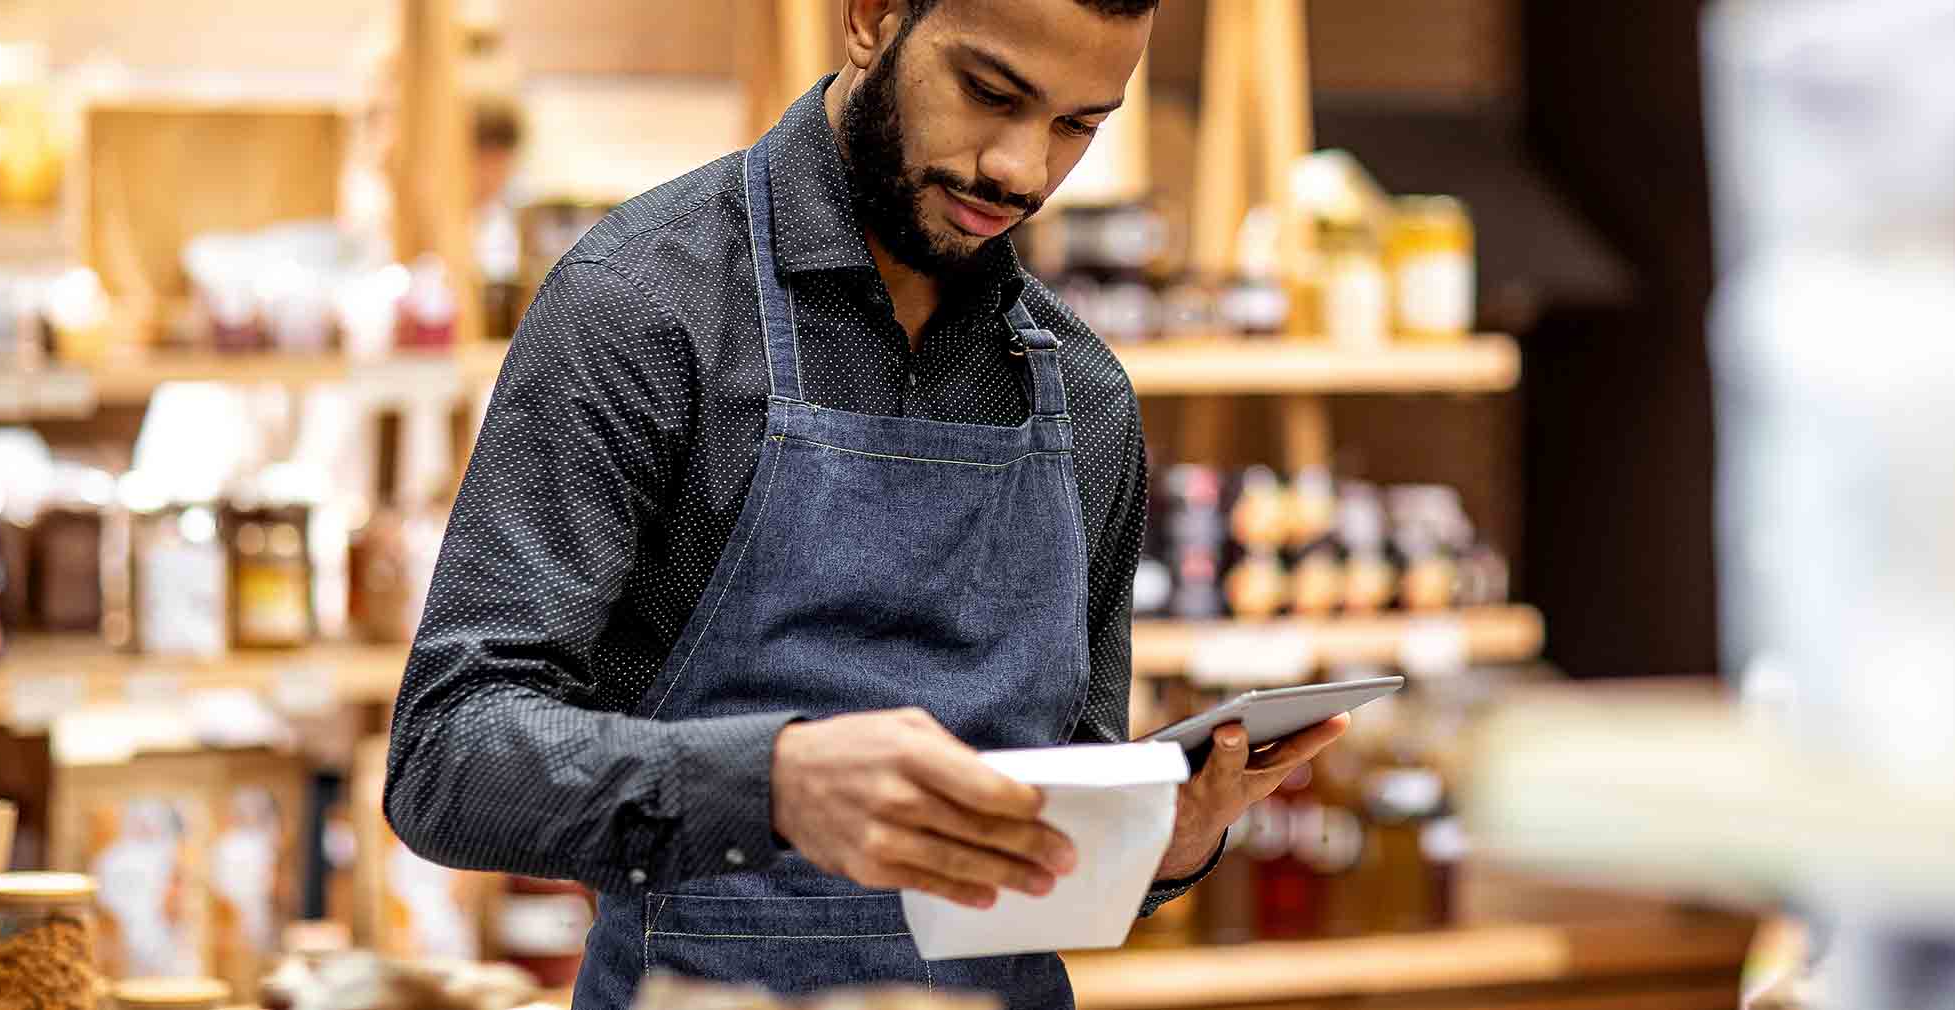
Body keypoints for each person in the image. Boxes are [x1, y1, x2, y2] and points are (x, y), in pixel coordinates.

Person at [383, 0, 1347, 1004]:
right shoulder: (642, 309)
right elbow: (447, 756)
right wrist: (774, 783)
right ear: (872, 18)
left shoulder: (1087, 398)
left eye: (1077, 126)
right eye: (989, 93)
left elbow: (1061, 820)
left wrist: (1162, 840)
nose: (1019, 168)